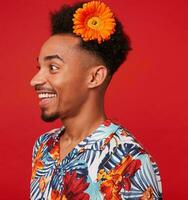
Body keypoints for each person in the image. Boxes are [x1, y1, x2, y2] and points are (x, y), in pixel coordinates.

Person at [29, 1, 163, 199]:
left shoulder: (129, 161)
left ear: (94, 77)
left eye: (53, 67)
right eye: (39, 68)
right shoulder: (44, 146)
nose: (35, 80)